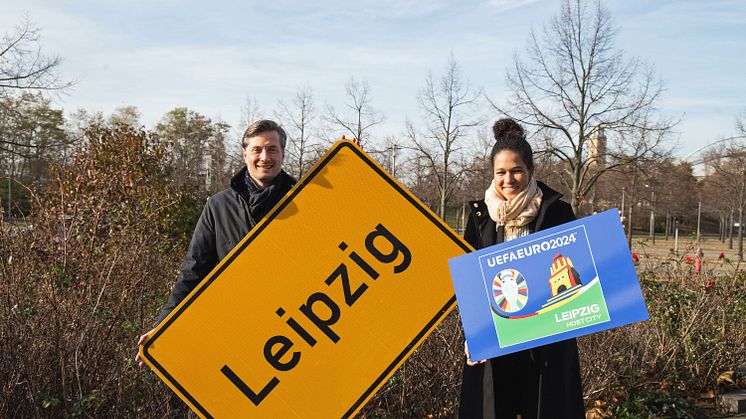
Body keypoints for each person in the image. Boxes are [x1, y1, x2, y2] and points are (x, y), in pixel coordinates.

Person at [135, 119, 296, 368]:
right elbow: (194, 270)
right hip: (235, 331)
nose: (265, 157)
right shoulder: (218, 206)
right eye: (257, 149)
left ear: (283, 154)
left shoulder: (305, 199)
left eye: (272, 149)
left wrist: (353, 176)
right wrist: (163, 328)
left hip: (296, 328)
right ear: (245, 154)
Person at [459, 118, 584, 418]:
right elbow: (470, 284)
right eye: (500, 172)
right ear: (492, 174)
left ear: (531, 171)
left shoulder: (557, 212)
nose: (508, 179)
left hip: (545, 343)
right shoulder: (480, 218)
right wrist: (472, 335)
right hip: (496, 340)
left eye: (517, 171)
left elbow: (576, 265)